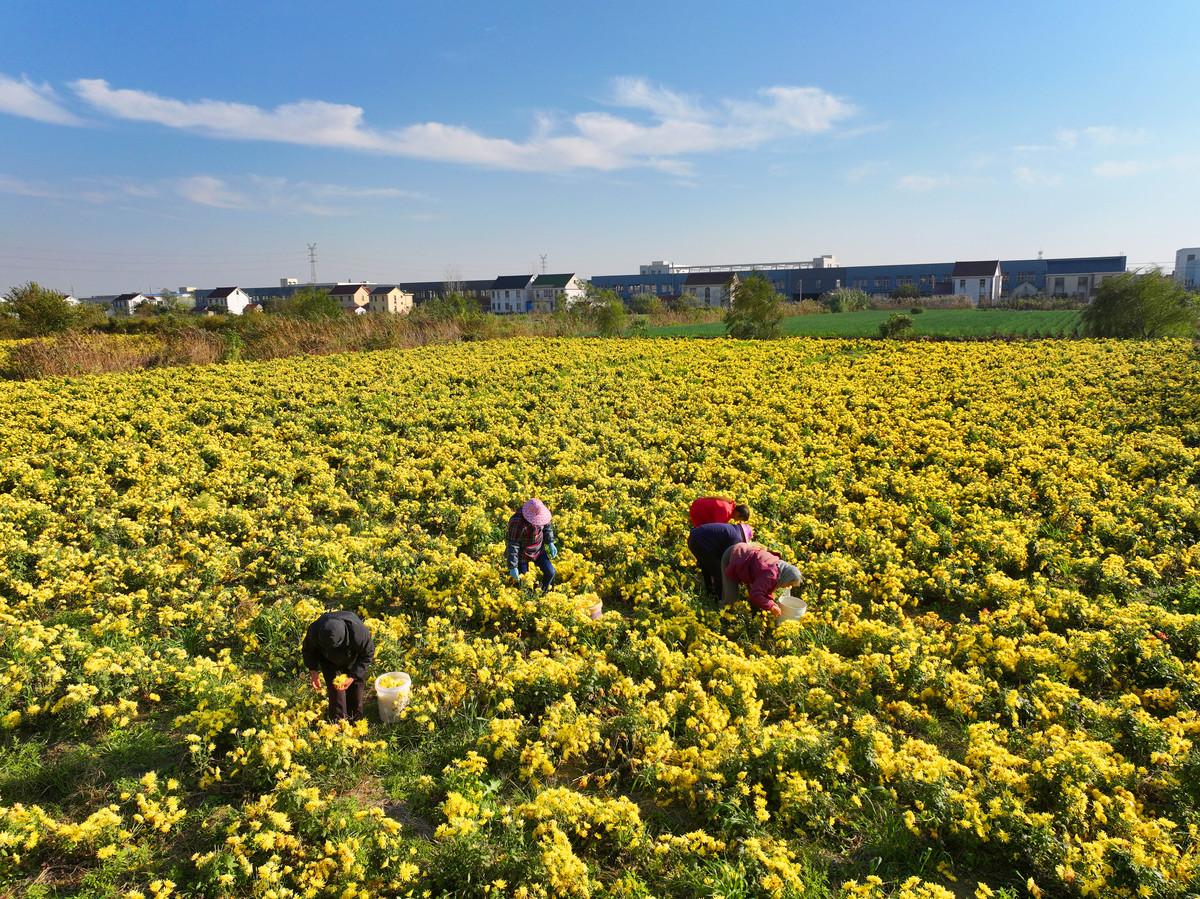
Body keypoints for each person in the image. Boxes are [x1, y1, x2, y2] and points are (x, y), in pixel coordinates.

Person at [302, 610, 375, 722]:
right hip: (328, 661)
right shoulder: (315, 630)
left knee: (355, 692)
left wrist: (352, 676)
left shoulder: (358, 632)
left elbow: (367, 654)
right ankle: (337, 724)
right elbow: (308, 650)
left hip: (352, 658)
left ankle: (356, 721)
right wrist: (313, 671)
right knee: (336, 692)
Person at [720, 542, 803, 617]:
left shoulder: (779, 568)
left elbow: (764, 589)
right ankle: (719, 616)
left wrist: (771, 603)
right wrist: (771, 606)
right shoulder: (770, 574)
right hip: (733, 556)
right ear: (786, 578)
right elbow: (756, 593)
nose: (787, 587)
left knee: (754, 600)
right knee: (731, 598)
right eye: (789, 584)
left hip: (742, 556)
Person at [688, 521, 754, 597]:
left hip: (694, 537)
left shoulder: (732, 530)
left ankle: (710, 593)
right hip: (701, 542)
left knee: (707, 567)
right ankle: (719, 597)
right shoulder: (736, 538)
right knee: (719, 573)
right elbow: (728, 559)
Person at [506, 498, 558, 591]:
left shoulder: (541, 512)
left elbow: (547, 527)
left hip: (538, 550)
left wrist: (550, 542)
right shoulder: (517, 521)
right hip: (522, 553)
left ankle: (543, 594)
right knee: (525, 583)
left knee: (550, 572)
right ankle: (527, 598)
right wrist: (513, 566)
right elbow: (513, 544)